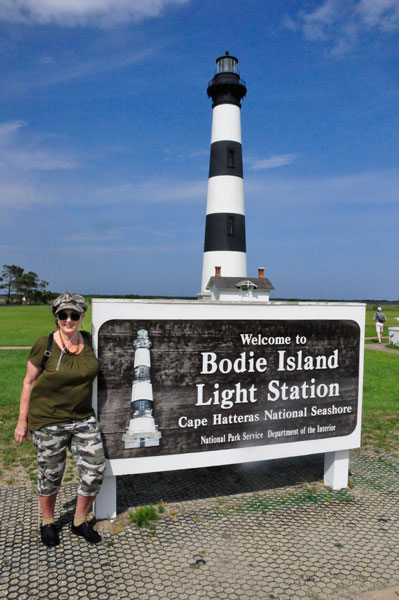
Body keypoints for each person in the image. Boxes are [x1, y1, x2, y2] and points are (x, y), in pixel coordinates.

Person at [14, 292, 105, 547]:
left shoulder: (89, 342)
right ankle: (47, 522)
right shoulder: (45, 345)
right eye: (63, 315)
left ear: (82, 317)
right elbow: (28, 382)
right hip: (47, 420)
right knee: (51, 474)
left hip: (83, 418)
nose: (68, 320)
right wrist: (22, 422)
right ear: (56, 317)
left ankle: (79, 521)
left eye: (73, 315)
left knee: (95, 468)